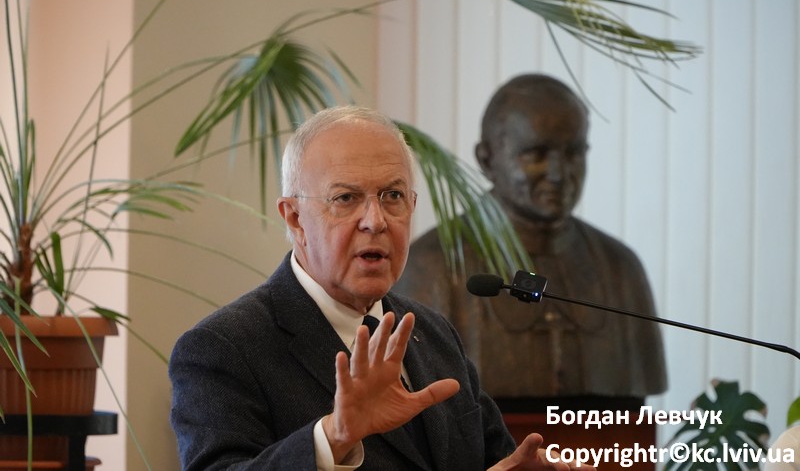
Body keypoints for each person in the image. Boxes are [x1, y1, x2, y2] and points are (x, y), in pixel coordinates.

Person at [169, 106, 593, 470]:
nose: (375, 221)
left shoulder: (434, 333)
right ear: (295, 218)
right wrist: (334, 438)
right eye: (346, 198)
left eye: (392, 195)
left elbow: (493, 458)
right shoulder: (222, 348)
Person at [394, 74, 667, 408]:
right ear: (487, 159)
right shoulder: (432, 265)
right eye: (536, 154)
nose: (558, 173)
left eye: (573, 153)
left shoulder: (621, 270)